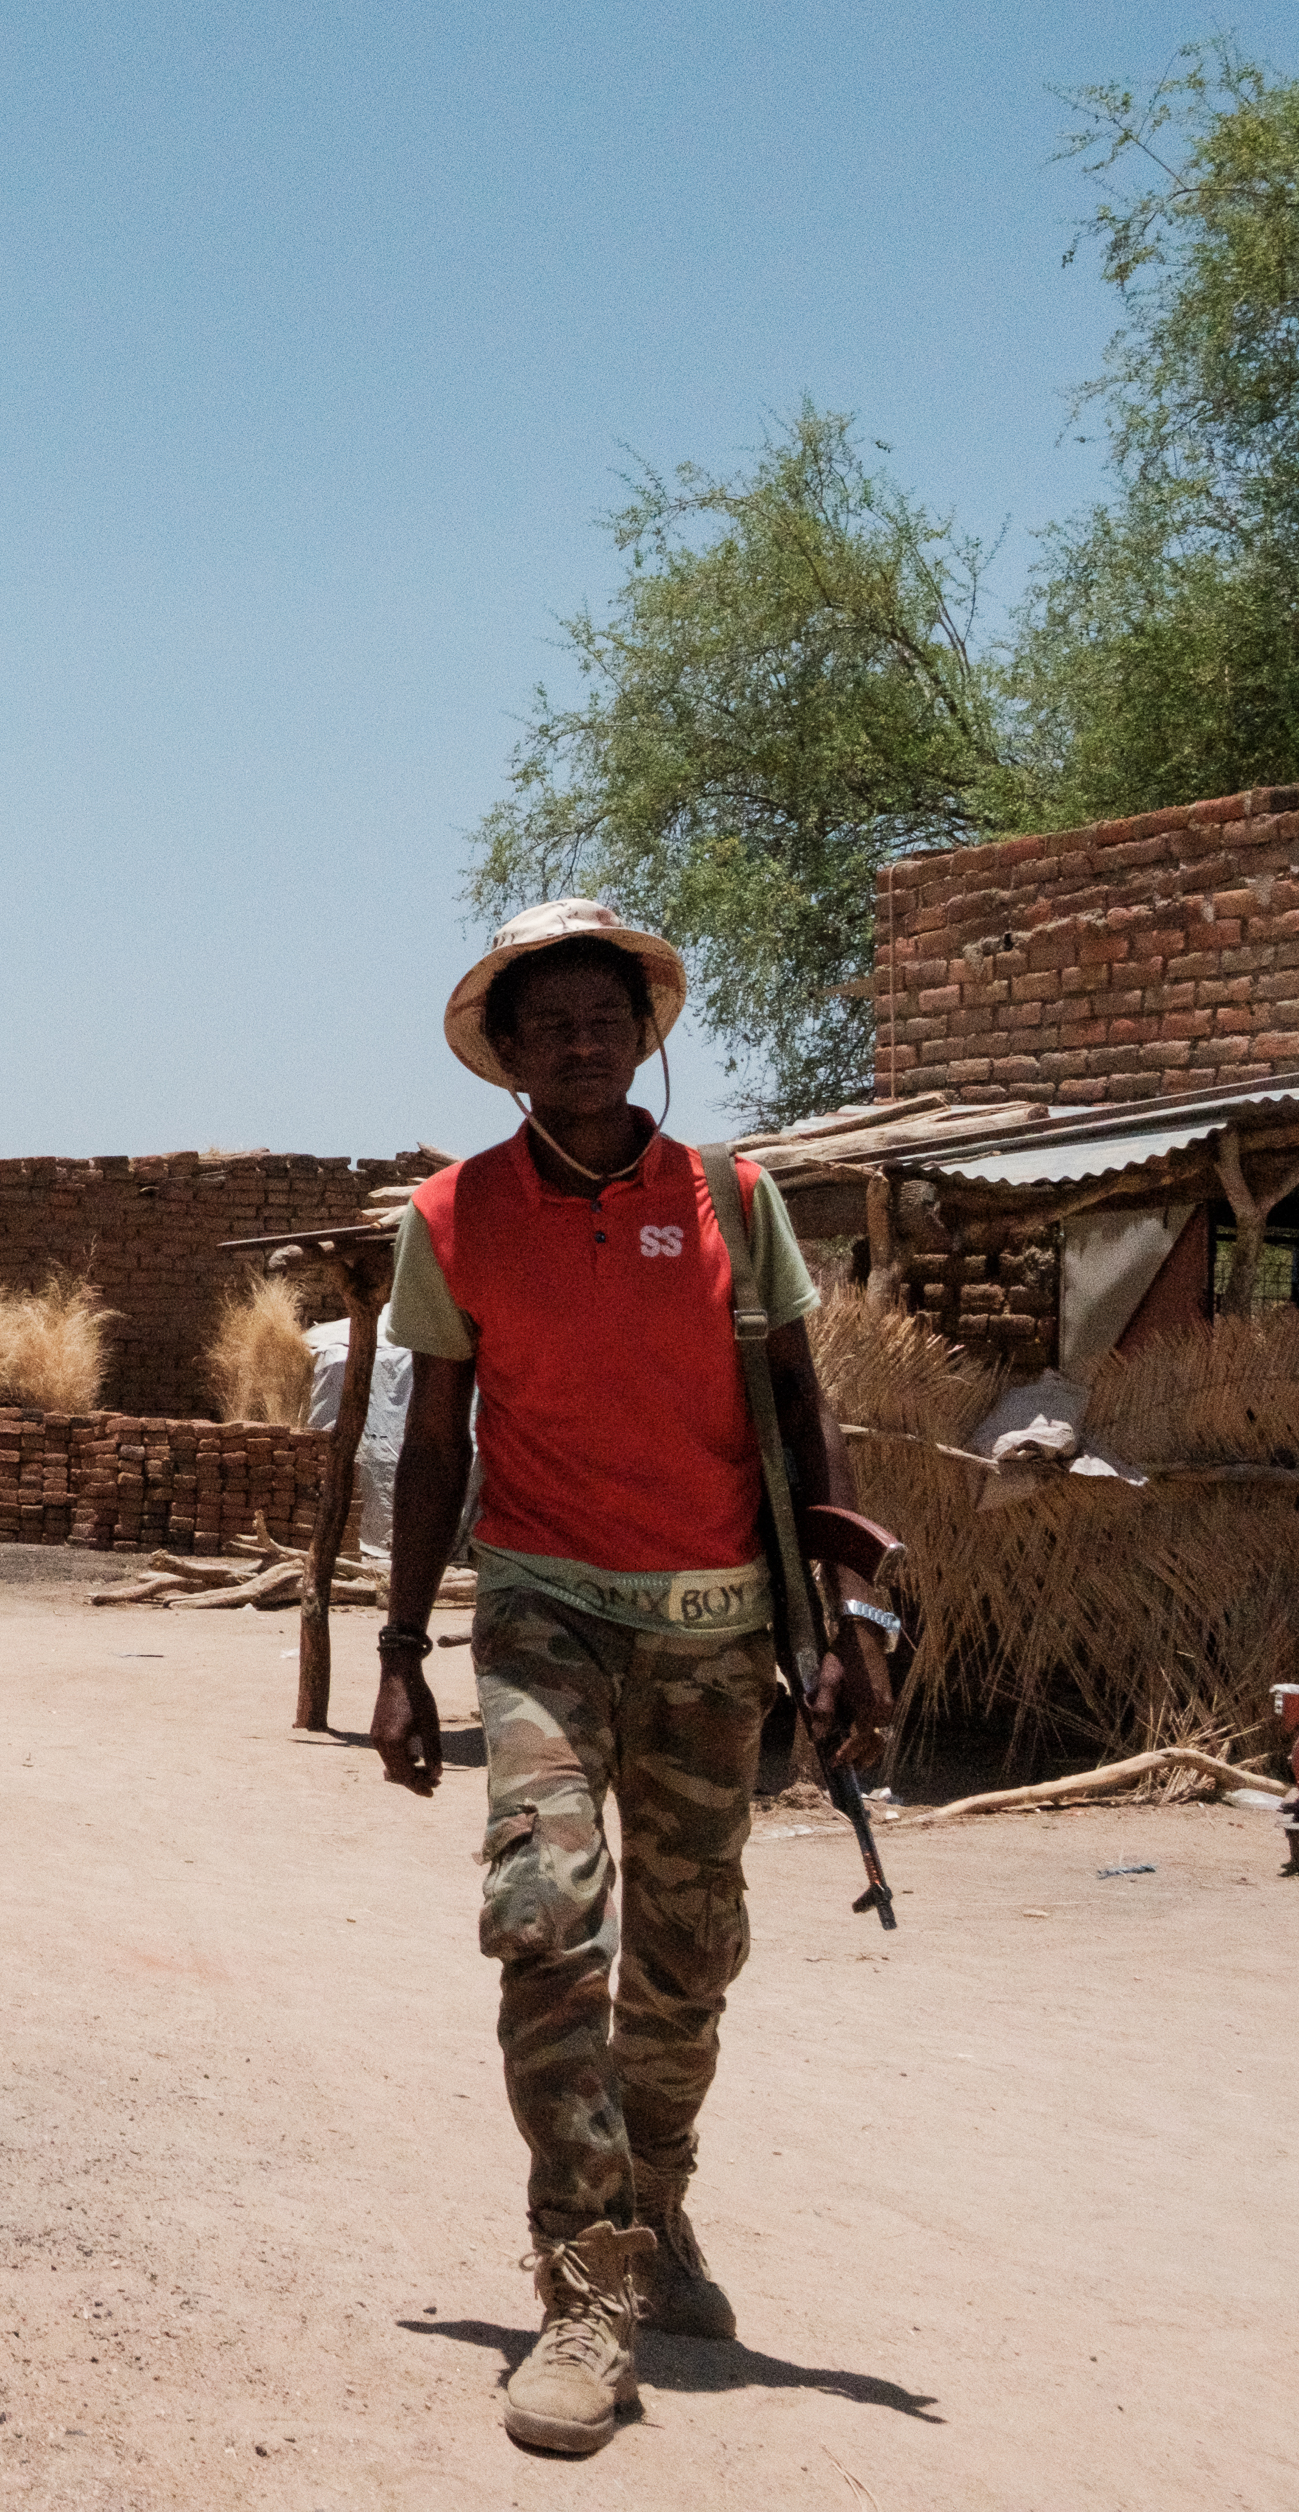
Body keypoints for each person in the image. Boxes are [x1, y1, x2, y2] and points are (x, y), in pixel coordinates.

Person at [367, 899, 897, 2459]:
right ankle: (584, 2278)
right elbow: (436, 1446)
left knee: (694, 1948)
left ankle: (654, 2188)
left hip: (719, 1626)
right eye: (550, 1024)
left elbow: (804, 1404)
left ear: (643, 1031)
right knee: (543, 1916)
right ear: (508, 1055)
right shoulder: (453, 1214)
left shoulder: (732, 1193)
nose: (582, 1042)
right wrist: (397, 1651)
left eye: (607, 1014)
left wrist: (848, 1618)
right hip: (544, 1610)